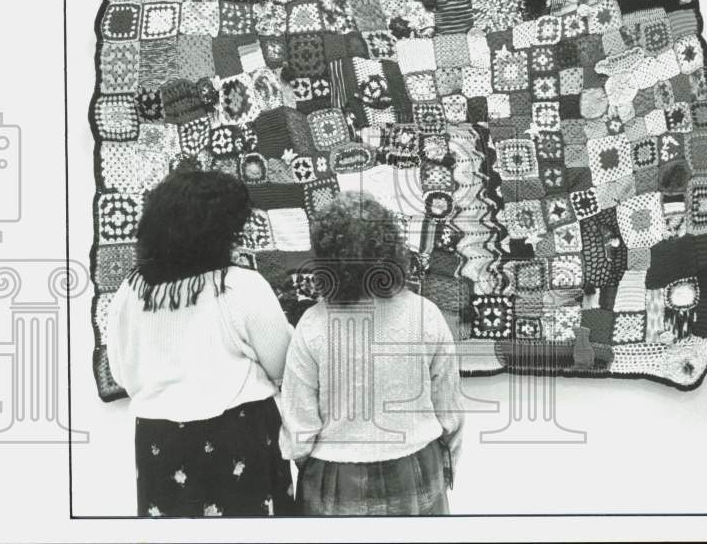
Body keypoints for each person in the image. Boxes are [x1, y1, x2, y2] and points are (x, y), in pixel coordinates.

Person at [107, 170, 295, 517]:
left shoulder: (130, 291)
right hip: (238, 435)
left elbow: (120, 370)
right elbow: (284, 362)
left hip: (160, 443)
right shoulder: (239, 286)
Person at [279, 191, 465, 516]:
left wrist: (308, 464)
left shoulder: (311, 325)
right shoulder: (425, 313)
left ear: (326, 258)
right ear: (392, 248)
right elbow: (449, 409)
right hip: (416, 464)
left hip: (334, 474)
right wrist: (446, 457)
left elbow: (300, 425)